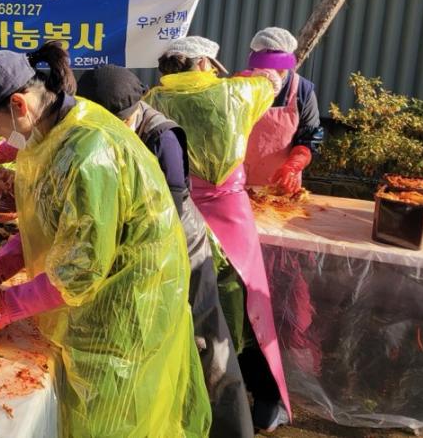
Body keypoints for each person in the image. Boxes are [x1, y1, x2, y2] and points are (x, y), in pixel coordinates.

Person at [0, 43, 211, 438]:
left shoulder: (88, 151)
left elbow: (79, 270)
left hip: (126, 305)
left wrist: (4, 305)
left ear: (19, 105)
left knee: (113, 419)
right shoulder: (44, 134)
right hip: (93, 299)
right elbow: (45, 221)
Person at [76, 64, 254, 438]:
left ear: (134, 112)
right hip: (132, 244)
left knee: (207, 339)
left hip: (178, 243)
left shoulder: (162, 138)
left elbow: (163, 213)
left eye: (117, 124)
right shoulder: (94, 129)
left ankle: (231, 428)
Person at [144, 35, 291, 432]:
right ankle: (259, 399)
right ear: (206, 64)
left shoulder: (153, 101)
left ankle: (199, 396)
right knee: (245, 303)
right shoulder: (236, 94)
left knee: (189, 307)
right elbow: (276, 76)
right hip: (230, 214)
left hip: (178, 214)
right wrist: (266, 54)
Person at [242, 27, 324, 193]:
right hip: (239, 185)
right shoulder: (240, 84)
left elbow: (309, 138)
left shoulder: (302, 91)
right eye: (264, 63)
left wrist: (293, 167)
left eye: (276, 64)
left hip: (281, 186)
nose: (269, 71)